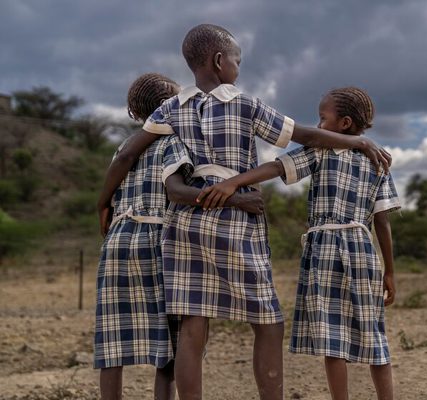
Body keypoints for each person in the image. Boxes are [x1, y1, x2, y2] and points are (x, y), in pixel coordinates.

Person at [95, 24, 391, 400]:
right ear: (220, 61)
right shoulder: (244, 103)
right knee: (267, 322)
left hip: (186, 223)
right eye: (237, 60)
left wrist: (103, 202)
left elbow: (127, 152)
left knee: (192, 326)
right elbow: (307, 136)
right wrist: (358, 141)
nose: (238, 66)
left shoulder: (171, 109)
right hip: (237, 222)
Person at [198, 87, 400, 400]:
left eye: (323, 118)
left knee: (334, 338)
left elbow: (277, 168)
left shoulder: (321, 150)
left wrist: (234, 181)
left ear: (344, 123)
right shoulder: (377, 160)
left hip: (325, 250)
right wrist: (389, 271)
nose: (318, 125)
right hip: (363, 250)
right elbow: (382, 222)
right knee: (373, 334)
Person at [95, 73, 264, 400]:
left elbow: (122, 167)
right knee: (171, 349)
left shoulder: (124, 147)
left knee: (112, 342)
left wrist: (101, 203)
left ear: (134, 114)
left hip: (117, 242)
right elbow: (176, 192)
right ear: (170, 110)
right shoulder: (173, 142)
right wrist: (236, 198)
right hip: (158, 241)